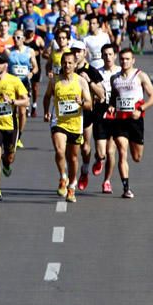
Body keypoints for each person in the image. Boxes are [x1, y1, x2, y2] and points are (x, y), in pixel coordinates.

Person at [107, 48, 153, 199]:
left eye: (127, 59)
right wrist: (111, 106)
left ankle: (133, 147)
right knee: (122, 152)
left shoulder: (140, 76)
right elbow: (114, 97)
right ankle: (126, 188)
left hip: (135, 120)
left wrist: (141, 109)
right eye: (122, 59)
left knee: (136, 157)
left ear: (133, 60)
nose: (124, 62)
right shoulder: (114, 78)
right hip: (119, 120)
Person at [43, 51, 92, 203]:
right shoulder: (54, 81)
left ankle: (71, 186)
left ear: (75, 64)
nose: (67, 65)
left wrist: (81, 102)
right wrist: (46, 112)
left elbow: (90, 104)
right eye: (64, 62)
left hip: (76, 124)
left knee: (73, 158)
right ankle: (62, 177)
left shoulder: (81, 81)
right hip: (59, 122)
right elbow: (47, 97)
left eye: (70, 62)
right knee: (59, 150)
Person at [0, 53, 29, 201]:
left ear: (6, 65)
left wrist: (13, 102)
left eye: (1, 63)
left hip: (10, 125)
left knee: (9, 157)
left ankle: (6, 163)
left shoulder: (14, 81)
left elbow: (26, 101)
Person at [69, 39, 105, 193]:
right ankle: (69, 178)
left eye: (79, 51)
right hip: (70, 113)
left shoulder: (92, 70)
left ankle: (84, 171)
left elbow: (102, 94)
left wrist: (89, 81)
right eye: (74, 51)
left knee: (85, 147)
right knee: (70, 149)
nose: (76, 54)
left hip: (88, 112)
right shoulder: (67, 69)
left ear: (85, 53)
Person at [93, 43, 119, 193]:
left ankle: (107, 181)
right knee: (102, 153)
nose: (108, 57)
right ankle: (98, 159)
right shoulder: (98, 73)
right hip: (101, 115)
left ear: (114, 56)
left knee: (111, 152)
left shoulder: (121, 72)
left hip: (116, 116)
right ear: (101, 56)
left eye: (110, 54)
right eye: (105, 55)